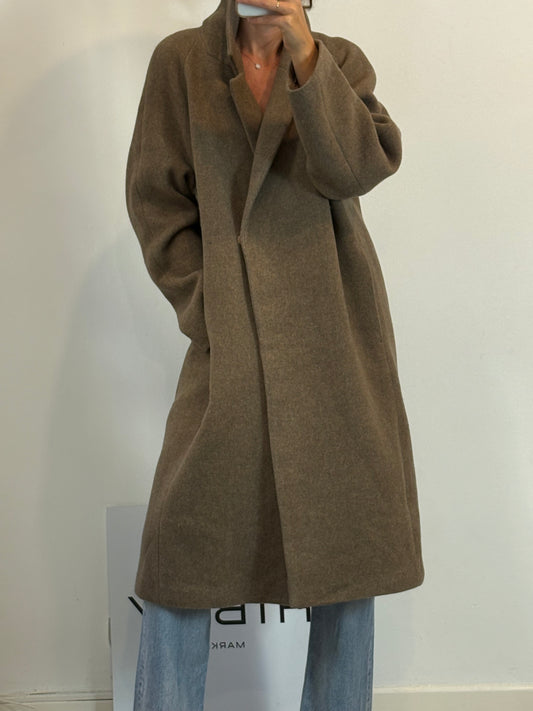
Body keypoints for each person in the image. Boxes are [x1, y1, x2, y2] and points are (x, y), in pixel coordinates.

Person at [126, 0, 425, 708]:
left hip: (335, 333)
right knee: (180, 550)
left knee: (347, 549)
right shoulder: (182, 62)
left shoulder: (338, 60)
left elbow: (356, 168)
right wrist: (209, 307)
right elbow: (156, 201)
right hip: (230, 334)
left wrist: (303, 52)